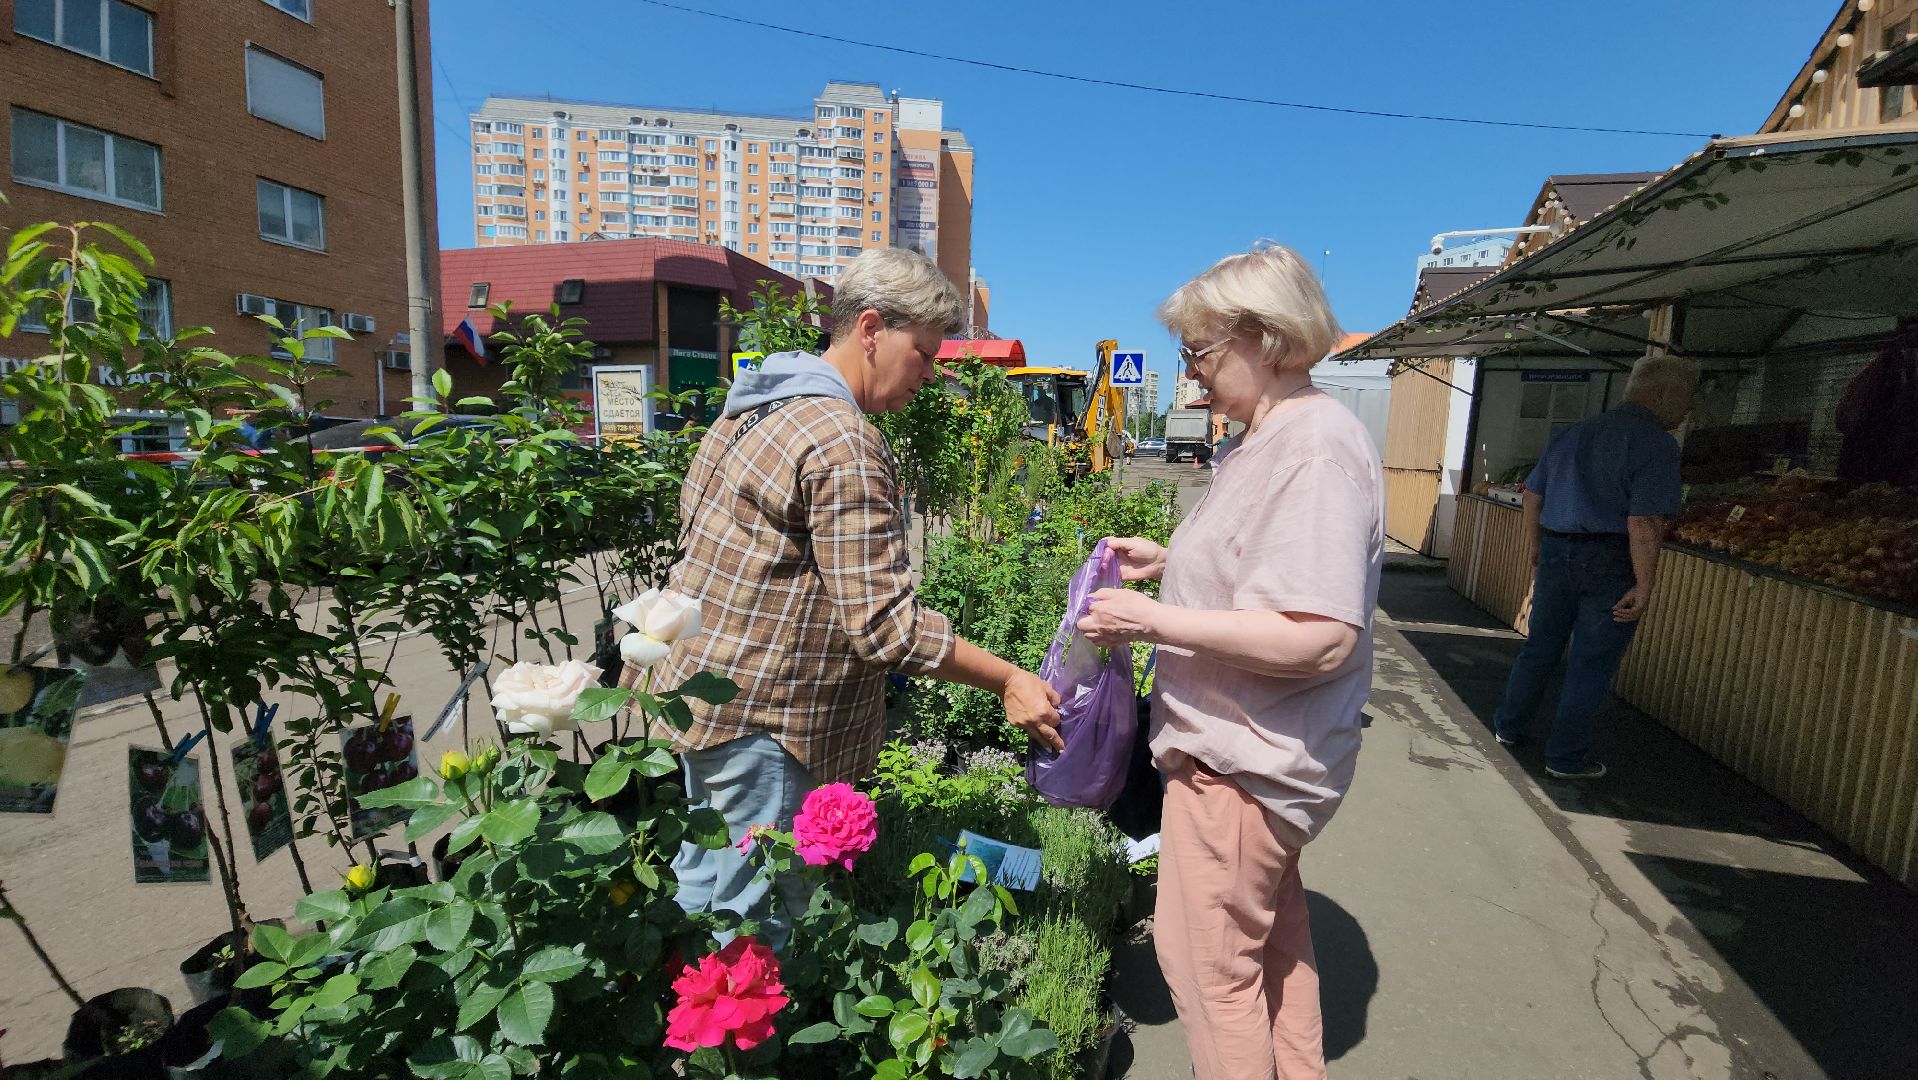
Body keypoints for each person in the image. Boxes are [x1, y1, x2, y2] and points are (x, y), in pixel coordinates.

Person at [629, 248, 1063, 949]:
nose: (931, 374)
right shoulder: (843, 440)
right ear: (870, 329)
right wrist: (1009, 677)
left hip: (704, 699)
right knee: (759, 923)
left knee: (704, 887)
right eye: (923, 353)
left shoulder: (752, 409)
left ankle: (680, 1044)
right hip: (772, 724)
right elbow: (886, 628)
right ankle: (742, 1057)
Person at [1077, 244, 1382, 1080]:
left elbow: (1319, 633)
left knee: (1209, 974)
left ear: (1268, 337)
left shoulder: (1311, 449)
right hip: (1248, 752)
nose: (1194, 373)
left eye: (1201, 353)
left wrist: (1152, 621)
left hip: (1242, 762)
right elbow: (1265, 567)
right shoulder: (1273, 436)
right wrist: (1171, 558)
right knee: (1273, 949)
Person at [1491, 355, 1698, 779]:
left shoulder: (1574, 433)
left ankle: (1509, 728)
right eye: (1687, 396)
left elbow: (1531, 493)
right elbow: (1643, 520)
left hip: (1556, 550)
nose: (1688, 408)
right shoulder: (1656, 444)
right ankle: (1565, 758)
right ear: (1663, 394)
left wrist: (1534, 546)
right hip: (1609, 559)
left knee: (1540, 647)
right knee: (1591, 661)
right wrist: (1644, 583)